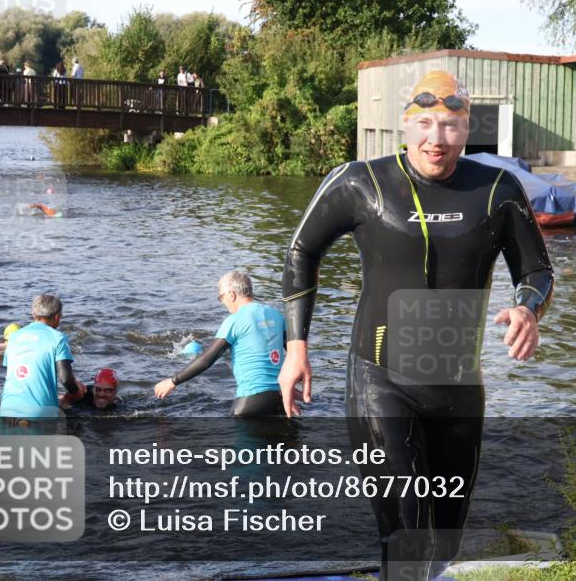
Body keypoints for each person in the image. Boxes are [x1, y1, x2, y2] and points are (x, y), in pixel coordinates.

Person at [279, 69, 554, 578]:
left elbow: (536, 269)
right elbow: (302, 251)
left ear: (467, 129)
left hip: (458, 389)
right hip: (380, 381)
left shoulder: (497, 189)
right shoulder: (361, 182)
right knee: (404, 530)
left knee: (445, 537)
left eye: (450, 125)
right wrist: (297, 346)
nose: (436, 138)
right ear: (404, 126)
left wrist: (527, 307)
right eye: (425, 123)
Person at [155, 271, 287, 416]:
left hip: (250, 401)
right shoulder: (275, 314)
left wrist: (173, 381)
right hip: (281, 399)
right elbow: (294, 352)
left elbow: (207, 359)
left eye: (221, 297)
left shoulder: (235, 320)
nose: (222, 302)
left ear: (231, 295)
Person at [0, 293, 86, 422]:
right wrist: (75, 393)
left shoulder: (14, 337)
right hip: (40, 412)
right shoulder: (58, 338)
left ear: (34, 314)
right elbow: (65, 378)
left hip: (7, 409)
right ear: (57, 316)